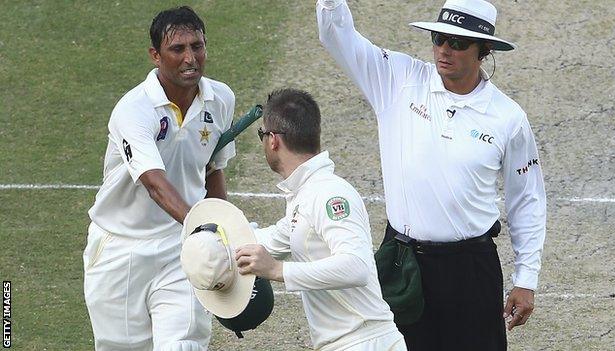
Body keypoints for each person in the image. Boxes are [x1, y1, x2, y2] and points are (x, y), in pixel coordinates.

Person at [316, 0, 546, 350]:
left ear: (483, 51)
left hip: (471, 269)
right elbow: (337, 35)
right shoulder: (399, 79)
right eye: (439, 38)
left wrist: (526, 279)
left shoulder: (508, 118)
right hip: (402, 261)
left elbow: (527, 199)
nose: (444, 50)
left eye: (457, 43)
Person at [83, 6, 236, 351]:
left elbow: (213, 170)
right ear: (155, 55)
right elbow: (153, 182)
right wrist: (202, 228)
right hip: (120, 249)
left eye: (197, 46)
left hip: (178, 248)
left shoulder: (221, 99)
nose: (190, 58)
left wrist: (223, 232)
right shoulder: (133, 109)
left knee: (184, 345)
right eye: (177, 49)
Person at [235, 88, 407, 351]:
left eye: (262, 134)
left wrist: (278, 270)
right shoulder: (304, 195)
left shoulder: (329, 193)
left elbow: (356, 266)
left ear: (273, 140)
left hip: (364, 342)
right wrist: (213, 232)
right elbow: (268, 240)